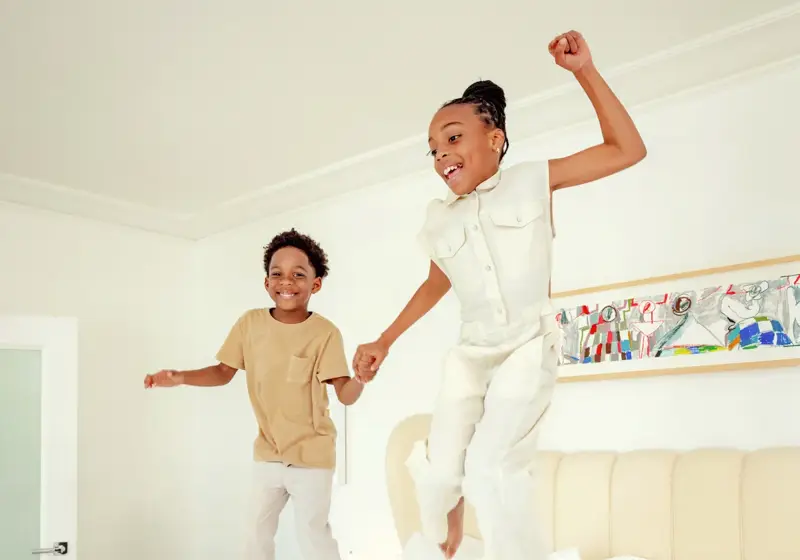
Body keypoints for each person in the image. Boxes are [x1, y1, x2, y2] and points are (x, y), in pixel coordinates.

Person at [352, 30, 646, 560]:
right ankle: (447, 520)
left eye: (453, 137)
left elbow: (628, 149)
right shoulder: (439, 217)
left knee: (490, 469)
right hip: (470, 354)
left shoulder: (534, 180)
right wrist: (384, 340)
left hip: (527, 346)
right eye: (434, 148)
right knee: (439, 480)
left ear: (494, 139)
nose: (442, 154)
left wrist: (583, 71)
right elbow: (436, 283)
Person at [145, 229, 364, 560]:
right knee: (255, 534)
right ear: (266, 282)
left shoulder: (325, 333)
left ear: (315, 284)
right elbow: (223, 372)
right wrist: (180, 378)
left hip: (312, 456)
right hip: (268, 453)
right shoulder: (250, 324)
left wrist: (361, 377)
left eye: (298, 274)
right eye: (277, 273)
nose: (286, 281)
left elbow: (345, 395)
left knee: (312, 537)